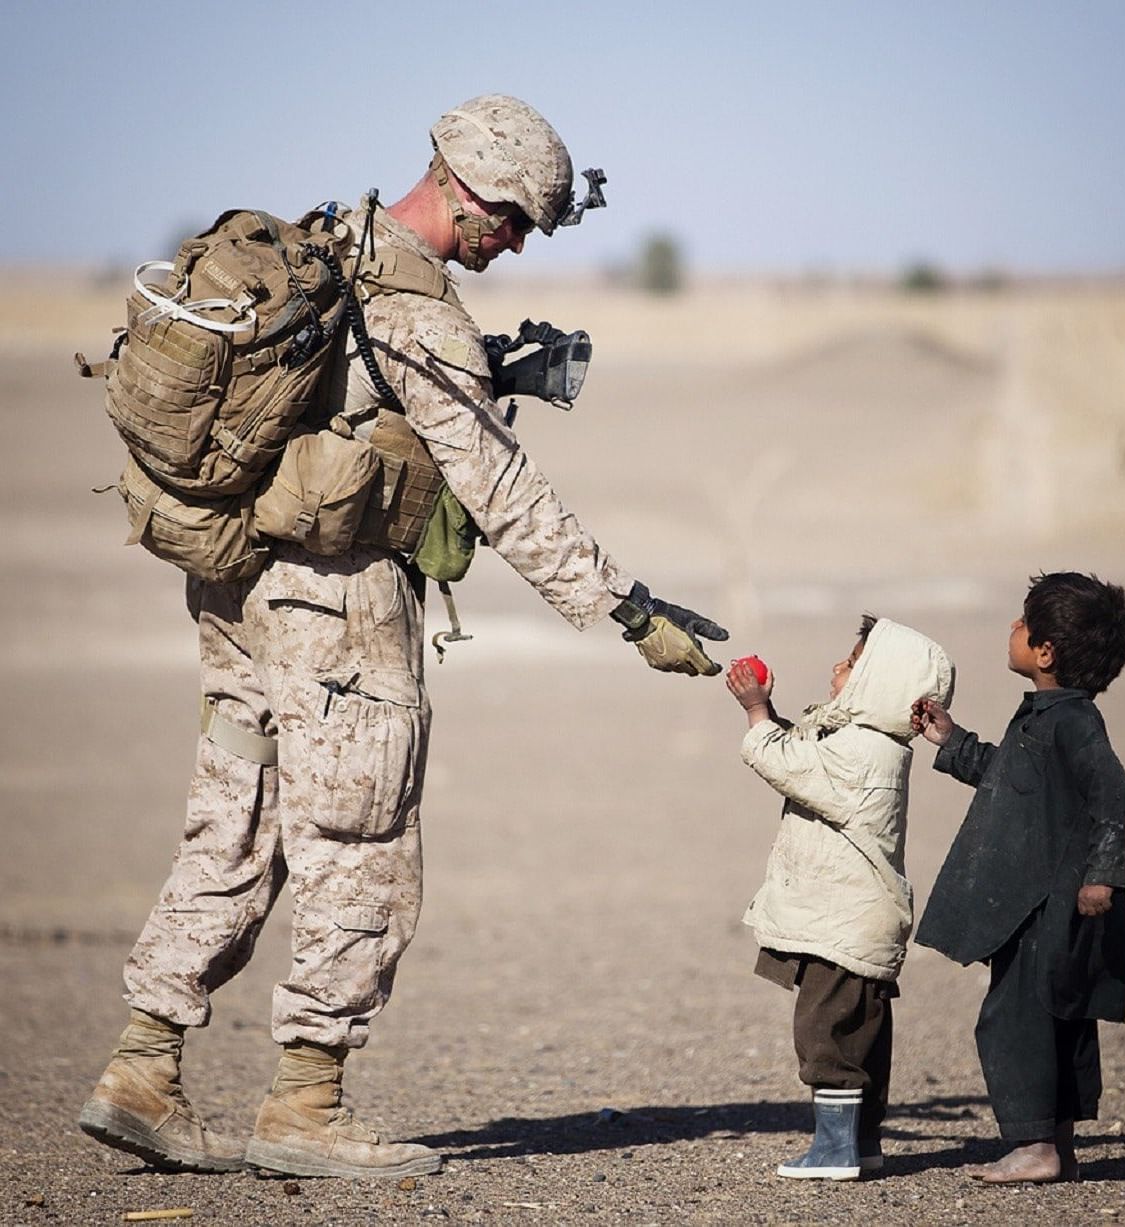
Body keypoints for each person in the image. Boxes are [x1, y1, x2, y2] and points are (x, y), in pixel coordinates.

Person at [79, 94, 728, 1181]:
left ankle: (142, 1068)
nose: (514, 245)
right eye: (514, 221)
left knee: (235, 821)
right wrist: (626, 607)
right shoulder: (417, 309)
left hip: (240, 589)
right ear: (466, 189)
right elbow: (503, 489)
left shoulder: (332, 248)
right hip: (337, 607)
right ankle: (306, 1106)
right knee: (362, 846)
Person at [911, 572, 1125, 1184]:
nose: (1012, 627)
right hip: (1034, 901)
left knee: (1017, 1018)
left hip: (1053, 904)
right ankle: (1055, 1146)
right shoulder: (1043, 714)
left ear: (1045, 653)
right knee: (1053, 1014)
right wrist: (951, 741)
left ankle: (1034, 1147)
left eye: (1022, 622)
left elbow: (1112, 792)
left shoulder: (1074, 723)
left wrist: (1103, 877)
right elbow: (1010, 777)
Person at [726, 616, 955, 1180]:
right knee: (862, 1036)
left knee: (826, 1033)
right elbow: (804, 752)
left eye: (852, 663)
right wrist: (771, 713)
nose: (838, 668)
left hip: (844, 924)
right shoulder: (862, 743)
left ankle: (834, 1151)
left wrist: (757, 713)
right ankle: (864, 1143)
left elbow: (787, 763)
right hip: (853, 919)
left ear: (881, 683)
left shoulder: (864, 753)